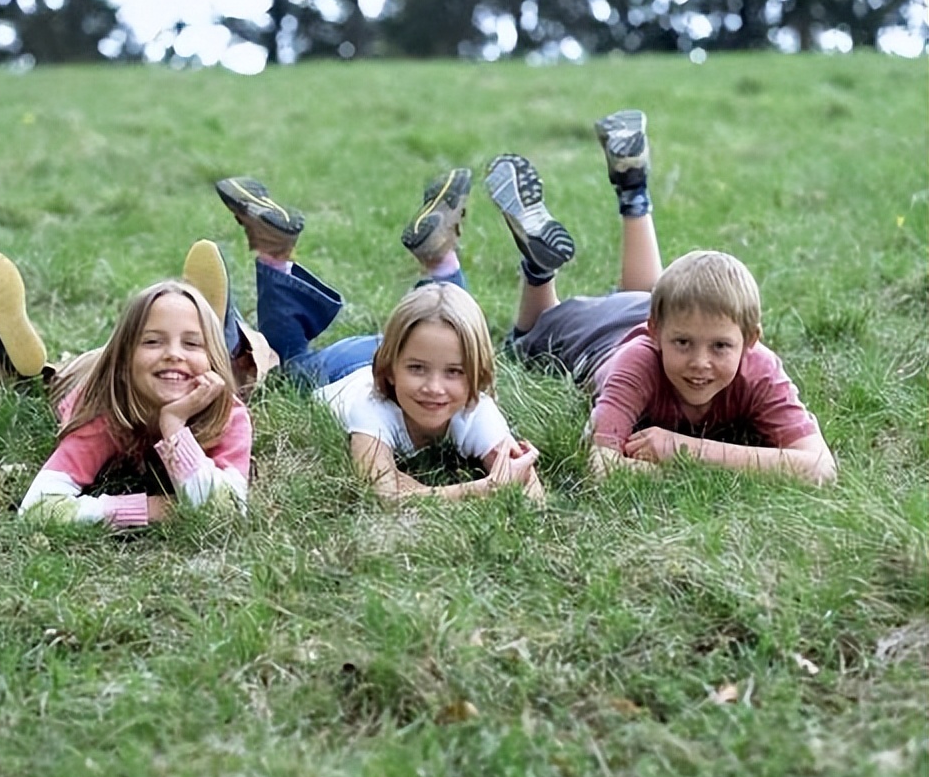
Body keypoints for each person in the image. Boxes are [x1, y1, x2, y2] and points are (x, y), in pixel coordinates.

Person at [490, 109, 836, 485]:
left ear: (751, 341)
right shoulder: (637, 363)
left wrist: (681, 449)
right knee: (521, 344)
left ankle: (633, 189)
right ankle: (541, 268)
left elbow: (821, 468)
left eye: (720, 347)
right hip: (598, 336)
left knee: (648, 296)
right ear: (655, 334)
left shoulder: (759, 368)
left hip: (650, 304)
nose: (700, 363)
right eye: (684, 344)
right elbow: (601, 467)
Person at [211, 172, 545, 503]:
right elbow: (384, 495)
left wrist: (512, 479)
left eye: (455, 373)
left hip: (416, 345)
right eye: (418, 372)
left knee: (444, 323)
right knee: (290, 364)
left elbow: (529, 491)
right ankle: (275, 255)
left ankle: (440, 260)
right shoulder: (371, 406)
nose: (434, 387)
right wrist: (484, 488)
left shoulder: (476, 408)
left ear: (478, 378)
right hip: (340, 370)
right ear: (388, 369)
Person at [0, 246, 253, 526]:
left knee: (246, 367)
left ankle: (205, 324)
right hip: (85, 375)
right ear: (123, 365)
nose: (174, 353)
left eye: (191, 342)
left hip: (151, 367)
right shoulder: (104, 413)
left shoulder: (230, 415)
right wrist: (147, 509)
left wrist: (174, 425)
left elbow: (225, 512)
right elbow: (37, 508)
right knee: (55, 378)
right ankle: (17, 366)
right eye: (153, 340)